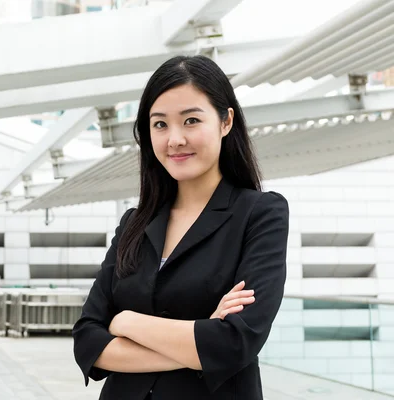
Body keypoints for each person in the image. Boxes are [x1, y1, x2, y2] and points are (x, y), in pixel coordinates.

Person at [72, 54, 289, 399]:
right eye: (160, 124)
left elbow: (235, 343)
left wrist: (127, 322)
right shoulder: (134, 223)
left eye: (190, 120)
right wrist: (198, 342)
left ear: (225, 121)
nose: (174, 139)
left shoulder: (260, 214)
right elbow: (87, 340)